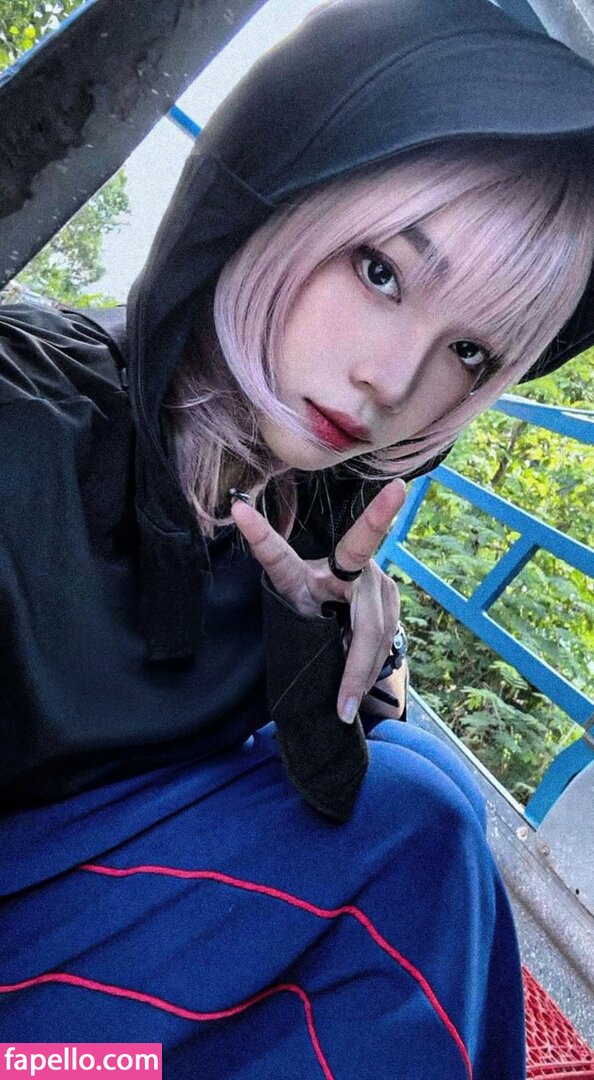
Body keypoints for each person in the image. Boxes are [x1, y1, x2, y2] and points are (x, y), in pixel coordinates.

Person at [1, 0, 594, 1076]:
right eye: (380, 270)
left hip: (91, 976)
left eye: (469, 352)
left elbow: (320, 773)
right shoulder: (28, 428)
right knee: (417, 828)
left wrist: (318, 662)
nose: (392, 381)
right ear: (277, 189)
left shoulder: (311, 501)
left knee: (417, 773)